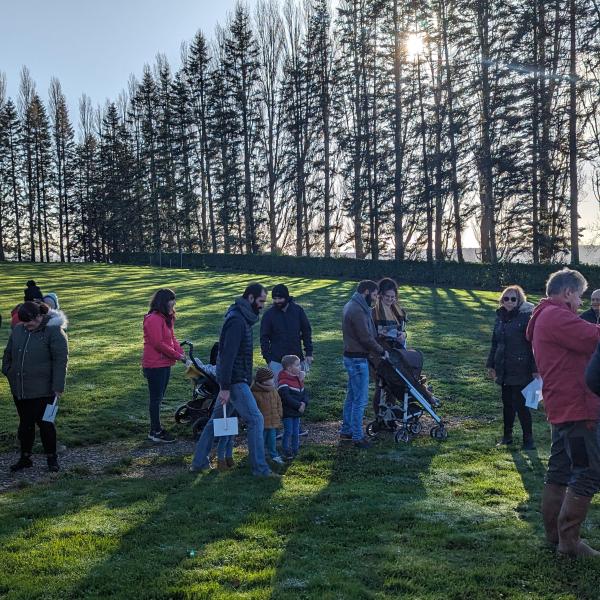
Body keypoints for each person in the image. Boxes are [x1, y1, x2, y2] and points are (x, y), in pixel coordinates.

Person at [527, 268, 600, 557]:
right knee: (586, 472)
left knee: (559, 472)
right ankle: (569, 543)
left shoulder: (545, 316)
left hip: (562, 407)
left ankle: (553, 536)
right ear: (567, 292)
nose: (580, 303)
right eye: (580, 296)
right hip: (577, 409)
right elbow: (594, 337)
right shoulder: (557, 316)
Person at [190, 283, 278, 478]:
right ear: (251, 298)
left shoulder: (242, 318)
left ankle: (198, 463)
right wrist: (225, 387)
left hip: (236, 379)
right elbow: (227, 355)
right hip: (234, 381)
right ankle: (260, 469)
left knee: (215, 422)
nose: (263, 305)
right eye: (261, 301)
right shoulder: (237, 320)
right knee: (256, 419)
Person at [2, 301, 68, 472]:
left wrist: (58, 386)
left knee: (46, 425)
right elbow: (8, 352)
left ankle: (52, 458)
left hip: (45, 391)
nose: (26, 325)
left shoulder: (54, 332)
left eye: (29, 321)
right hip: (21, 389)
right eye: (23, 322)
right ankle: (25, 458)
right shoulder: (18, 329)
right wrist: (7, 370)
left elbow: (60, 361)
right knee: (25, 425)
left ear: (39, 316)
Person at [486, 285, 537, 449]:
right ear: (502, 300)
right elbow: (495, 342)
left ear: (519, 300)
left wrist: (535, 369)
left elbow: (534, 345)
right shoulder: (500, 317)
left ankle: (528, 440)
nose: (509, 301)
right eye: (506, 298)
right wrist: (491, 365)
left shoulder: (526, 318)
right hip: (503, 367)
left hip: (521, 368)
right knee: (507, 403)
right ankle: (507, 436)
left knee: (522, 405)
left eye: (513, 299)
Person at [340, 280, 387, 449]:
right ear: (366, 292)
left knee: (352, 396)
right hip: (357, 359)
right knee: (360, 400)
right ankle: (358, 437)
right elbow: (365, 338)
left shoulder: (353, 305)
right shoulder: (357, 310)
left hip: (351, 356)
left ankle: (346, 430)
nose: (375, 299)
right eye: (374, 295)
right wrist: (381, 351)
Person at [142, 288, 185, 443]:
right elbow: (158, 343)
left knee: (159, 398)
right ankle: (155, 431)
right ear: (162, 302)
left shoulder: (168, 318)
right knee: (156, 398)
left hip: (164, 363)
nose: (173, 302)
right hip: (154, 364)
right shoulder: (153, 319)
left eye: (174, 299)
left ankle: (157, 428)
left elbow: (172, 338)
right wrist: (176, 355)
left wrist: (181, 351)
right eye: (170, 299)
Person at [260, 283, 313, 381]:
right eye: (274, 298)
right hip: (276, 361)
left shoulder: (298, 311)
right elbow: (264, 337)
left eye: (280, 298)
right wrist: (268, 359)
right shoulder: (269, 315)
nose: (277, 301)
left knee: (297, 389)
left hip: (296, 359)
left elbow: (306, 331)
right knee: (278, 390)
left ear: (287, 297)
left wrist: (309, 353)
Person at [278, 355, 309, 460]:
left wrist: (304, 403)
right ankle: (286, 450)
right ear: (289, 368)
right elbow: (286, 398)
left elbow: (304, 393)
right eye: (297, 365)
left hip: (297, 411)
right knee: (288, 431)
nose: (300, 367)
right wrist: (298, 405)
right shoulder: (283, 381)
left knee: (296, 432)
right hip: (288, 412)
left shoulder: (298, 380)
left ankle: (295, 450)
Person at [252, 366, 284, 465]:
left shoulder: (274, 390)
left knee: (272, 441)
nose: (273, 379)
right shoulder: (254, 393)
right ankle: (260, 457)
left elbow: (279, 402)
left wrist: (279, 413)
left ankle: (274, 455)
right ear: (264, 381)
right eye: (271, 378)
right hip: (261, 424)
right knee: (260, 441)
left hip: (273, 422)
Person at [372, 278, 407, 348]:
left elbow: (403, 330)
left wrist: (403, 335)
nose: (390, 299)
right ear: (381, 295)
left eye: (392, 297)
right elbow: (368, 335)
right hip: (380, 349)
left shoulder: (399, 312)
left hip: (398, 348)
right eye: (387, 296)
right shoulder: (373, 312)